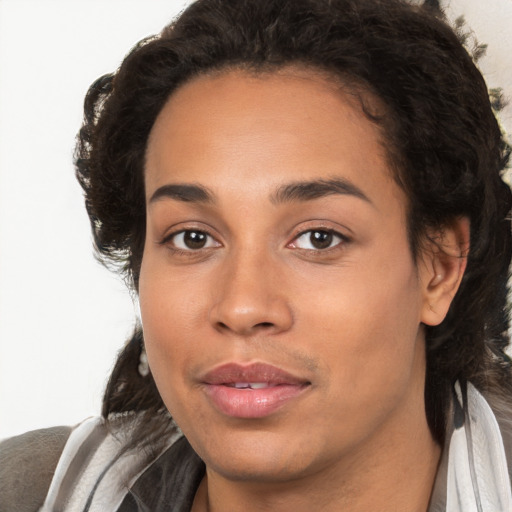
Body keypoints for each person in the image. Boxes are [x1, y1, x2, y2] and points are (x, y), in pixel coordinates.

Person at [1, 0, 511, 510]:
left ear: (440, 269)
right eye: (193, 238)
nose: (242, 308)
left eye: (318, 238)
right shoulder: (24, 491)